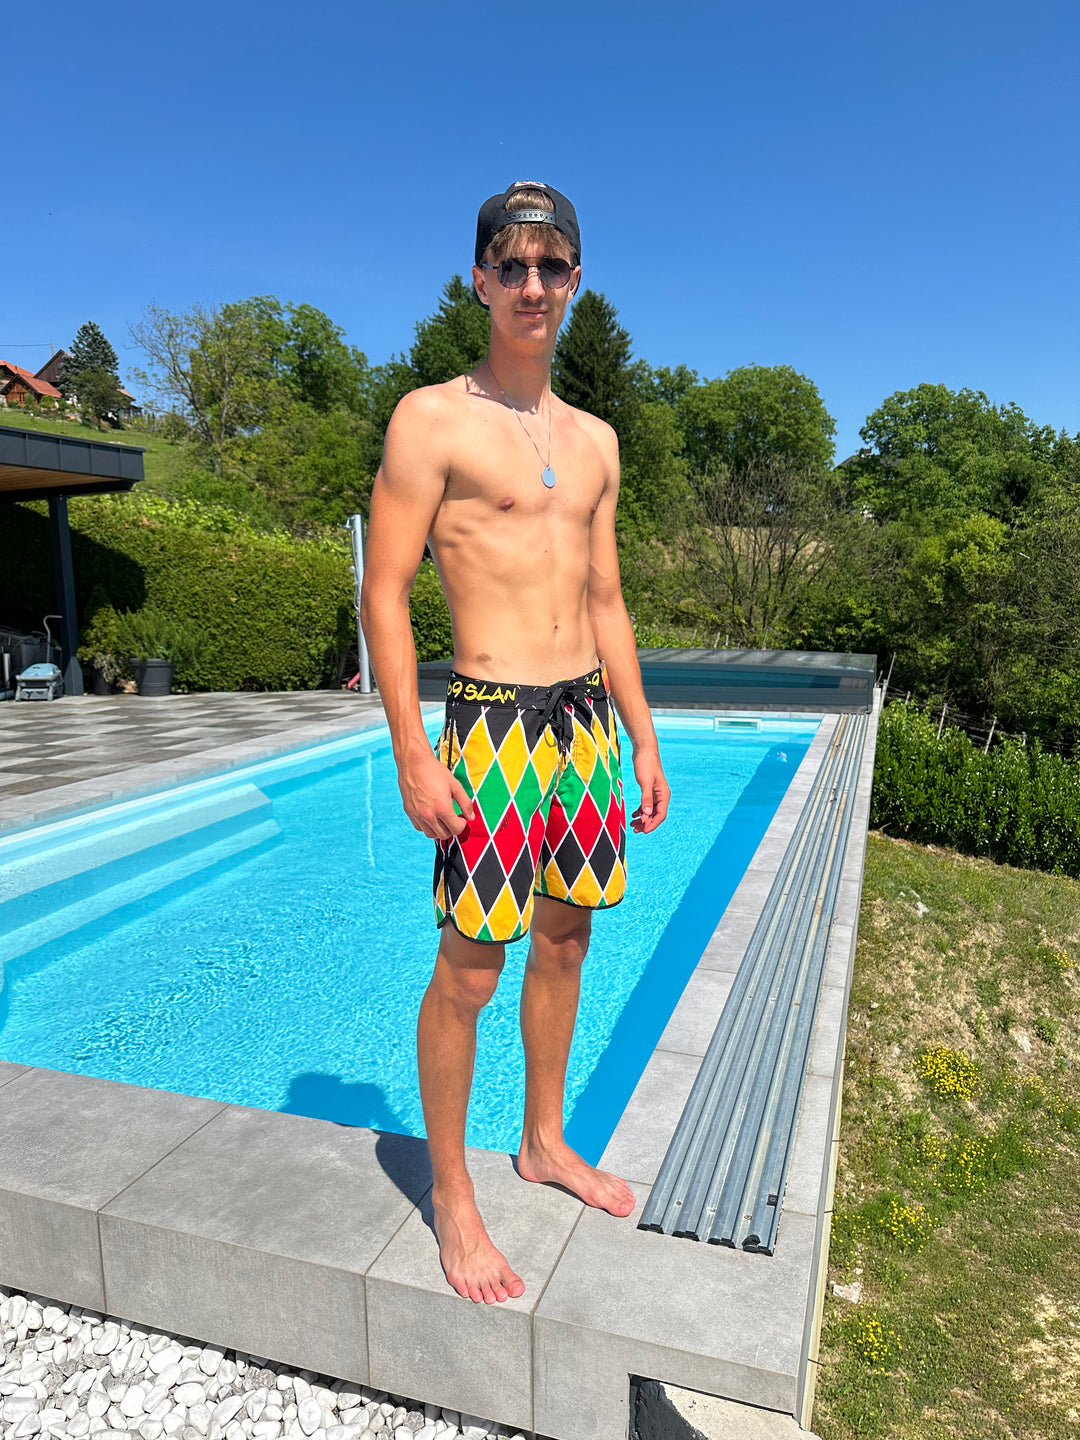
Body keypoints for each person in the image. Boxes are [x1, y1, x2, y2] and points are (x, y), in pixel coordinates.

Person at [361, 180, 670, 1306]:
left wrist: (643, 739)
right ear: (480, 281)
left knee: (567, 942)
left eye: (552, 266)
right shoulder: (430, 420)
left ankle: (542, 1141)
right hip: (488, 725)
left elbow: (607, 599)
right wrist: (411, 749)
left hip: (584, 723)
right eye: (512, 265)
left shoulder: (597, 442)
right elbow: (384, 592)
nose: (533, 285)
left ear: (576, 281)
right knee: (470, 969)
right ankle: (453, 1193)